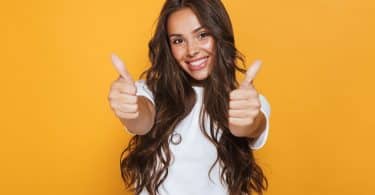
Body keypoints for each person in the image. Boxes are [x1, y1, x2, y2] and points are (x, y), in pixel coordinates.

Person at [108, 0, 271, 194]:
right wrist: (130, 108)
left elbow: (250, 125)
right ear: (168, 47)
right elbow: (142, 119)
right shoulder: (149, 92)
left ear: (220, 35)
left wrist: (245, 120)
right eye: (178, 41)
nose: (191, 50)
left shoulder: (247, 102)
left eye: (202, 35)